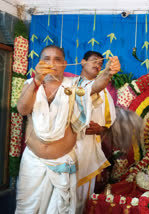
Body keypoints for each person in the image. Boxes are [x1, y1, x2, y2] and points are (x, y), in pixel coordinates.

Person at [15, 45, 120, 213]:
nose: (52, 63)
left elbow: (95, 87)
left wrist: (107, 73)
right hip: (33, 162)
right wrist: (37, 80)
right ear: (39, 63)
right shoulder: (30, 84)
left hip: (63, 162)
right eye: (46, 59)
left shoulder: (74, 85)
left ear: (65, 64)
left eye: (57, 59)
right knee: (26, 209)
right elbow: (23, 109)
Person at [75, 51, 117, 213]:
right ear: (82, 62)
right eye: (94, 61)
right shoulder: (70, 85)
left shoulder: (103, 91)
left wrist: (100, 129)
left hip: (88, 146)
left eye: (100, 64)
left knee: (83, 195)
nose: (97, 65)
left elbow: (109, 122)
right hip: (64, 147)